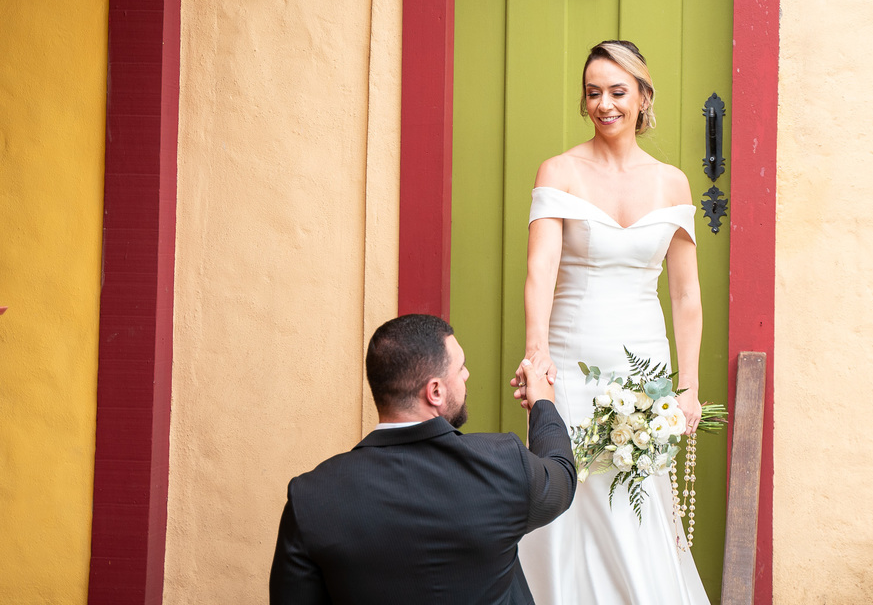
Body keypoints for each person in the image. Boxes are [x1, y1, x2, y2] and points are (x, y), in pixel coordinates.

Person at [515, 40, 709, 604]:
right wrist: (537, 358)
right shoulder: (559, 171)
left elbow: (686, 291)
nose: (605, 104)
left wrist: (689, 387)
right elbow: (540, 272)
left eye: (618, 92)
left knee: (636, 498)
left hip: (644, 367)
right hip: (572, 363)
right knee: (570, 495)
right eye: (594, 93)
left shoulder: (671, 183)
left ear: (643, 97)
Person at [269, 313, 576, 605]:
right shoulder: (502, 465)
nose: (467, 374)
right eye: (461, 368)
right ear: (435, 392)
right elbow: (561, 474)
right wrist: (543, 404)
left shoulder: (310, 497)